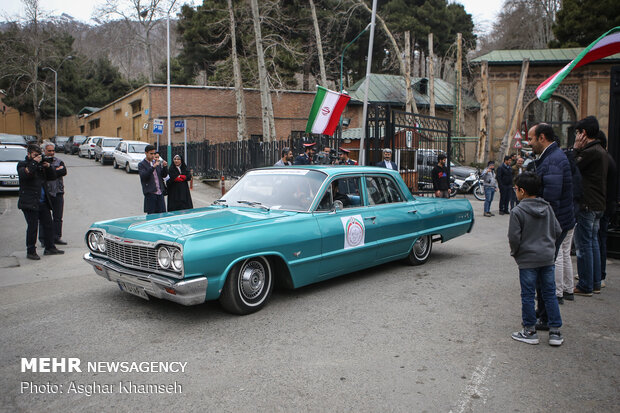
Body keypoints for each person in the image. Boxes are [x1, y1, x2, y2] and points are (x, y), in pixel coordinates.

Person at [508, 172, 563, 346]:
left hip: (527, 259)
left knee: (528, 295)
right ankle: (555, 332)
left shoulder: (517, 211)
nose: (515, 191)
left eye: (515, 189)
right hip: (547, 258)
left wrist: (516, 252)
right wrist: (548, 245)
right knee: (549, 294)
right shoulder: (547, 208)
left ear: (522, 191)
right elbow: (557, 230)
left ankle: (530, 331)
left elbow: (514, 237)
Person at [527, 123, 575, 312]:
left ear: (542, 137)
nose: (529, 143)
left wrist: (540, 226)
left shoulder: (553, 160)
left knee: (545, 271)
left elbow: (551, 201)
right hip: (559, 221)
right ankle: (545, 314)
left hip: (554, 224)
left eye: (531, 138)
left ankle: (545, 316)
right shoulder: (551, 157)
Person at [573, 116, 608, 296]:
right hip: (597, 204)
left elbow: (572, 166)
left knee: (584, 245)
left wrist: (575, 149)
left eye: (578, 133)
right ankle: (594, 281)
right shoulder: (600, 150)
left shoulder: (590, 151)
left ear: (584, 133)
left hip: (587, 204)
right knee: (592, 243)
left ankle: (586, 284)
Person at [17, 144, 64, 260]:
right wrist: (34, 162)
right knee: (32, 227)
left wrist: (48, 166)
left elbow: (52, 177)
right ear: (29, 155)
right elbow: (26, 175)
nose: (38, 157)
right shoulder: (22, 165)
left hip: (42, 202)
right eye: (35, 155)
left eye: (39, 155)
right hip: (29, 202)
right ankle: (31, 251)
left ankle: (50, 247)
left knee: (48, 225)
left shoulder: (40, 166)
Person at [596, 131, 618, 288]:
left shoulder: (603, 159)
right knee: (597, 240)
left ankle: (600, 275)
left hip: (602, 205)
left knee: (598, 240)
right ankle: (597, 273)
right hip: (605, 204)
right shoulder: (607, 158)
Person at [38, 141, 67, 246]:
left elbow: (63, 171)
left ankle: (56, 237)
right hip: (46, 193)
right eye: (49, 151)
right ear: (44, 151)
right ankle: (43, 239)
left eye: (53, 150)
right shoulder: (40, 162)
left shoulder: (59, 161)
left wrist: (51, 168)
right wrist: (54, 170)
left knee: (58, 217)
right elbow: (45, 174)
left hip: (58, 192)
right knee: (44, 218)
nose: (51, 153)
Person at [139, 145, 168, 214]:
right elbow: (144, 176)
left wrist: (164, 167)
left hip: (160, 193)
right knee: (151, 216)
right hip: (150, 193)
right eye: (151, 154)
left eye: (154, 154)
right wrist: (153, 167)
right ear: (146, 153)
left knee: (162, 214)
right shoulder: (142, 164)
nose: (153, 156)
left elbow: (163, 175)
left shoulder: (156, 162)